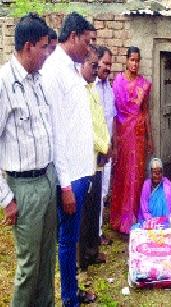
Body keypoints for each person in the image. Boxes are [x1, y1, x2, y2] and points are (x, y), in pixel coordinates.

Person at [0, 13, 57, 306]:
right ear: (28, 46)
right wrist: (6, 198)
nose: (48, 53)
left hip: (46, 179)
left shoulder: (37, 80)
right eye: (44, 47)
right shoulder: (4, 83)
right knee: (29, 267)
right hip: (23, 187)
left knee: (47, 262)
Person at [42, 12, 95, 306]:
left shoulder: (70, 68)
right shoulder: (54, 72)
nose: (89, 48)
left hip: (79, 170)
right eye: (86, 41)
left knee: (71, 239)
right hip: (69, 175)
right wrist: (64, 186)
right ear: (73, 36)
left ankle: (72, 292)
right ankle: (69, 299)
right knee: (66, 240)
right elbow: (57, 133)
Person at [110, 46, 153, 234]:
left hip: (138, 134)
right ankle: (119, 218)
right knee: (122, 175)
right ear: (126, 61)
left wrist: (149, 137)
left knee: (136, 176)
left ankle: (132, 218)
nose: (135, 64)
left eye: (138, 60)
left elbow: (145, 111)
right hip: (122, 134)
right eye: (132, 60)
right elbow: (113, 112)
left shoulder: (144, 84)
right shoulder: (117, 82)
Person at [79, 45, 110, 271]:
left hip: (99, 157)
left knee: (95, 204)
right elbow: (87, 127)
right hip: (87, 158)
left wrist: (106, 147)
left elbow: (102, 122)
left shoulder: (94, 89)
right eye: (94, 65)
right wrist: (102, 146)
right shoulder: (81, 90)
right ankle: (83, 259)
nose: (97, 69)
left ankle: (92, 250)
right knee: (86, 209)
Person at [96, 46, 116, 245]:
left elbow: (112, 118)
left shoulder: (108, 88)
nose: (108, 68)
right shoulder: (91, 87)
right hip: (94, 151)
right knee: (93, 194)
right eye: (105, 64)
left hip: (107, 149)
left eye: (110, 64)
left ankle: (98, 232)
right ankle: (91, 235)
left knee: (102, 192)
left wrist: (113, 146)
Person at [139, 158, 171, 222]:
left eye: (159, 172)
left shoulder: (167, 185)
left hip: (166, 222)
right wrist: (151, 220)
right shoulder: (146, 185)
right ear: (151, 173)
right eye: (155, 172)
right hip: (149, 222)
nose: (157, 176)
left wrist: (169, 218)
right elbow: (144, 208)